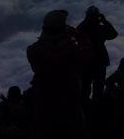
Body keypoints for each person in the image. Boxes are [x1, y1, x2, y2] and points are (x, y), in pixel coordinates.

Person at [26, 9, 93, 139]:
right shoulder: (73, 50)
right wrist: (77, 35)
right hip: (70, 103)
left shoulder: (33, 51)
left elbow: (36, 65)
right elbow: (89, 53)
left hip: (43, 105)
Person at [75, 5, 118, 107]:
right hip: (100, 61)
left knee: (84, 88)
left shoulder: (82, 28)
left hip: (85, 61)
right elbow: (114, 34)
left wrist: (87, 20)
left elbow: (77, 31)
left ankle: (84, 109)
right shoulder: (101, 29)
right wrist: (104, 20)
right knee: (98, 88)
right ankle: (97, 111)